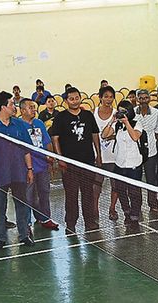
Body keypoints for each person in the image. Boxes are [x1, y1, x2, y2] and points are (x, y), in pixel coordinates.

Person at [0, 91, 35, 248]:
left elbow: (26, 149)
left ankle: (24, 235)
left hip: (19, 172)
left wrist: (30, 169)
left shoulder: (19, 125)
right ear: (3, 107)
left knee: (22, 205)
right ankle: (0, 238)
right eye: (12, 104)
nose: (14, 106)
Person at [50, 86, 101, 234]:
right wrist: (60, 159)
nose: (74, 101)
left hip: (87, 161)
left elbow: (95, 134)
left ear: (80, 98)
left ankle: (90, 222)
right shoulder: (61, 117)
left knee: (88, 194)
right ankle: (71, 224)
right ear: (66, 101)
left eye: (77, 98)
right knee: (71, 196)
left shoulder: (87, 115)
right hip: (69, 164)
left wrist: (98, 155)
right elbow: (55, 138)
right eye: (71, 99)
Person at [101, 100, 146, 224]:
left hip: (134, 164)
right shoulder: (117, 126)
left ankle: (135, 215)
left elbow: (135, 137)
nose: (121, 114)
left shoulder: (137, 123)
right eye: (119, 111)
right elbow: (104, 135)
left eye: (124, 112)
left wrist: (127, 123)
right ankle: (126, 212)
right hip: (120, 163)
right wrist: (111, 121)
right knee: (120, 190)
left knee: (134, 191)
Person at [19, 98, 59, 231]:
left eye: (34, 107)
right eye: (31, 107)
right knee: (28, 197)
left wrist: (51, 159)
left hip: (42, 166)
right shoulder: (17, 125)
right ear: (23, 110)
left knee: (44, 193)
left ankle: (45, 218)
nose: (34, 110)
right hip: (26, 168)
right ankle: (27, 224)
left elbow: (47, 142)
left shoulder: (39, 123)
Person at [134, 89, 158, 213]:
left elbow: (157, 131)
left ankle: (153, 203)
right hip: (136, 151)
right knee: (136, 179)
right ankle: (137, 205)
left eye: (146, 98)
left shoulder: (156, 112)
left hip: (151, 151)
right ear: (137, 100)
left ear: (149, 99)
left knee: (151, 179)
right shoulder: (133, 113)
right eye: (141, 98)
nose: (144, 101)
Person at [94, 86, 119, 221]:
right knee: (96, 185)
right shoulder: (94, 113)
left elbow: (119, 134)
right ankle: (94, 210)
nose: (108, 99)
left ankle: (112, 208)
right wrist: (97, 154)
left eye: (111, 97)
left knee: (115, 185)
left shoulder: (117, 114)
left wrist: (111, 137)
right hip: (98, 156)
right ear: (100, 97)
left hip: (114, 156)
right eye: (106, 96)